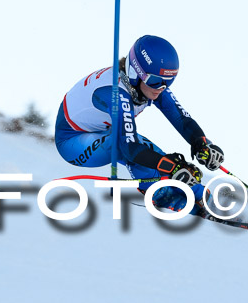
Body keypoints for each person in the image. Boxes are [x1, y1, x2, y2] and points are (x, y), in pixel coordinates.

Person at [54, 35, 225, 214]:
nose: (161, 88)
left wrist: (201, 143)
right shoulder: (116, 92)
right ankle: (167, 198)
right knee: (131, 146)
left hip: (101, 132)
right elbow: (129, 147)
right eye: (155, 81)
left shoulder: (150, 84)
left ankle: (202, 198)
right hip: (72, 142)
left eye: (169, 81)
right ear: (135, 72)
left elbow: (181, 118)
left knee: (149, 152)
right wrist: (171, 166)